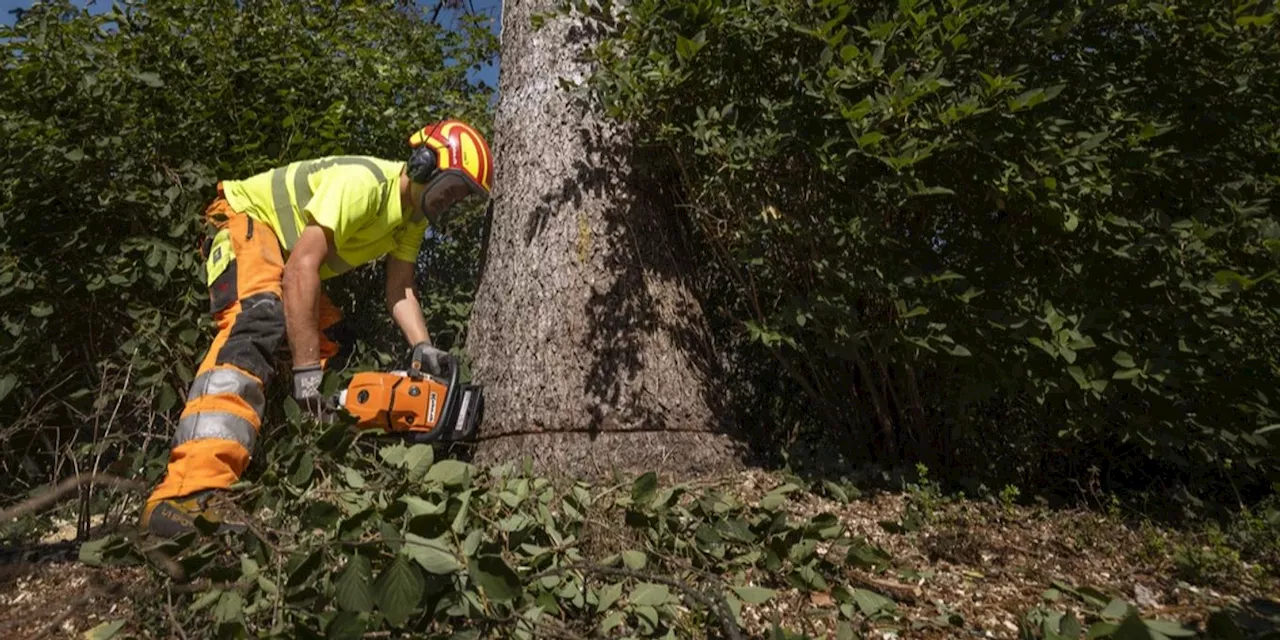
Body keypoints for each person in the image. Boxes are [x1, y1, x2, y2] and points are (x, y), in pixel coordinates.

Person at [139, 120, 493, 536]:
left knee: (333, 348)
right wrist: (306, 378)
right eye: (451, 189)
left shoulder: (410, 220)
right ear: (423, 163)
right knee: (256, 324)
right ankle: (184, 494)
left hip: (289, 258)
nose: (450, 202)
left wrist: (424, 346)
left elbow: (400, 289)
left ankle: (300, 476)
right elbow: (302, 269)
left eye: (459, 198)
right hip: (246, 222)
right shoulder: (364, 184)